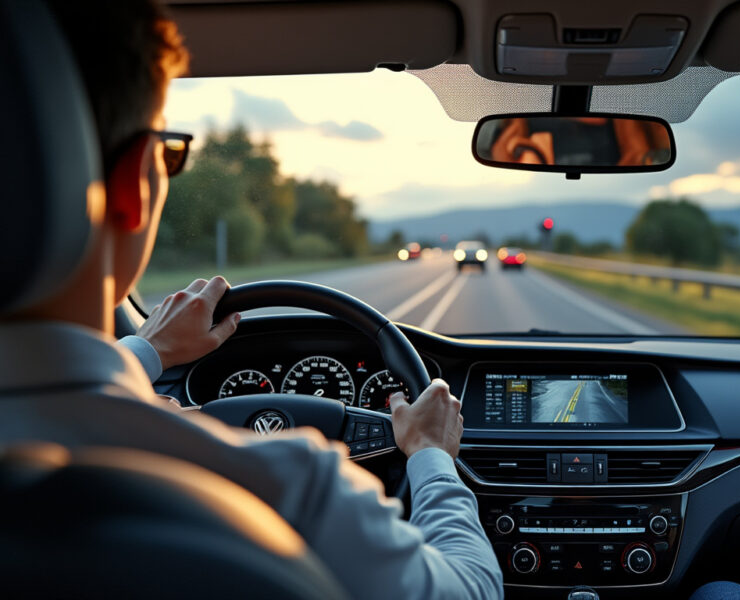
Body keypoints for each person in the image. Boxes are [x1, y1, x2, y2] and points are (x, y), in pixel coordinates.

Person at [0, 1, 502, 599]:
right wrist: (428, 456)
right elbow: (471, 588)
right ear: (136, 183)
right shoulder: (294, 493)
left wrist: (146, 350)